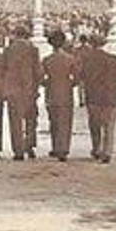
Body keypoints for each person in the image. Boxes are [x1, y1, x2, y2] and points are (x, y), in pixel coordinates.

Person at [80, 32, 116, 163]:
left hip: (94, 96)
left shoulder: (87, 60)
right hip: (110, 97)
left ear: (91, 44)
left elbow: (83, 78)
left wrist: (83, 96)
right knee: (109, 127)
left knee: (95, 126)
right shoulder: (114, 59)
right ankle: (107, 151)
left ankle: (97, 149)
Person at [2, 25, 42, 161]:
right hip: (29, 88)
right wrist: (36, 87)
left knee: (15, 121)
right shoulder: (33, 49)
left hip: (13, 89)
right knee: (31, 119)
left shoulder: (8, 50)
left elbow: (2, 70)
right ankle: (29, 145)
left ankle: (18, 150)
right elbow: (37, 71)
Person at [40, 31, 77, 161]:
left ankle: (56, 146)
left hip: (51, 92)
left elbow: (40, 77)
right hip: (66, 92)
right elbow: (77, 77)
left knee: (54, 121)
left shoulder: (47, 60)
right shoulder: (70, 59)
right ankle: (64, 148)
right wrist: (70, 84)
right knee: (65, 121)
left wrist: (47, 83)